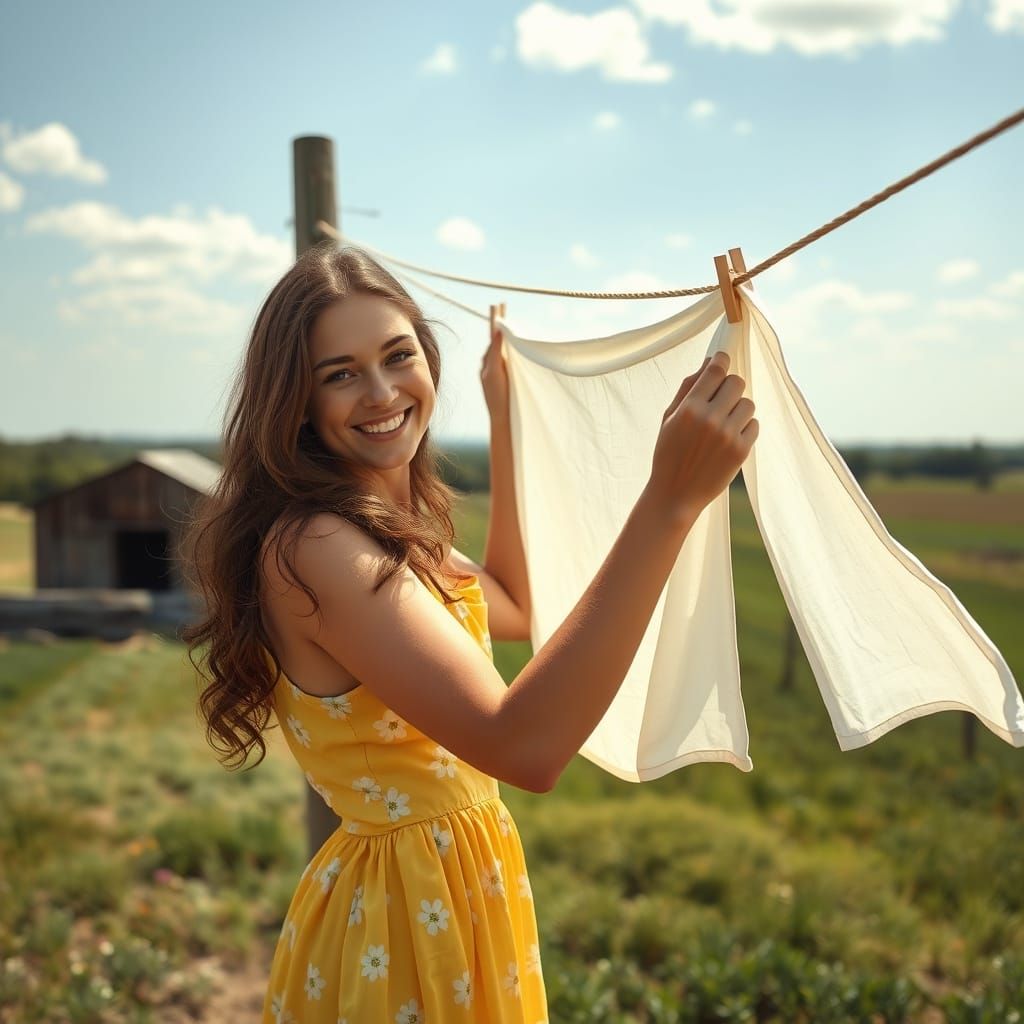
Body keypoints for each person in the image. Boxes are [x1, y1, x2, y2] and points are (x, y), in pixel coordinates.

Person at [180, 241, 758, 1023]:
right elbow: (524, 746)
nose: (381, 391)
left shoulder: (383, 531)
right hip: (402, 919)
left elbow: (513, 605)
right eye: (340, 373)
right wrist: (671, 499)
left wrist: (504, 418)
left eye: (397, 355)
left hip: (454, 893)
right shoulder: (317, 547)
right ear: (298, 402)